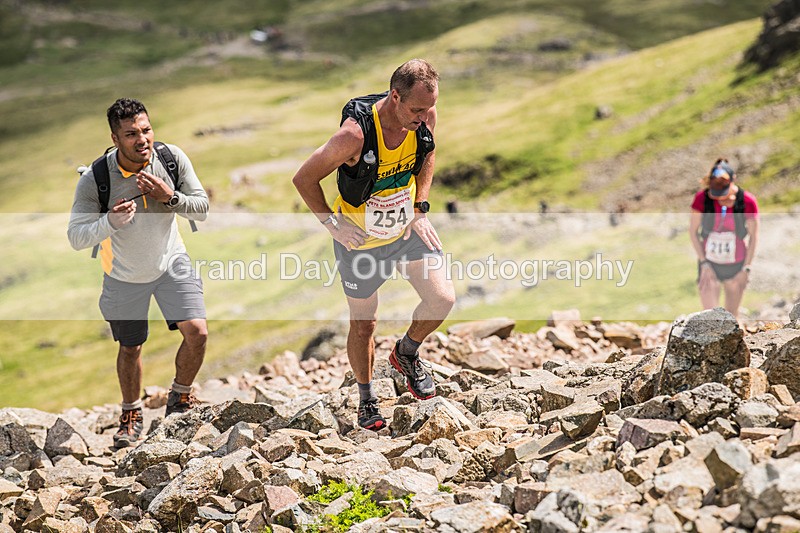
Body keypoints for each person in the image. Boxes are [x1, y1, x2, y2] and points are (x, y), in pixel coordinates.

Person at [292, 59, 456, 431]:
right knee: (364, 324)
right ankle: (367, 399)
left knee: (442, 299)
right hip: (362, 243)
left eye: (429, 109)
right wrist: (332, 225)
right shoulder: (354, 136)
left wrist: (420, 208)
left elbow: (428, 152)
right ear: (395, 96)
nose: (424, 117)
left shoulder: (424, 117)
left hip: (406, 232)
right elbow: (304, 178)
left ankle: (406, 352)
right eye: (416, 110)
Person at [68, 98, 209, 447]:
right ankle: (131, 414)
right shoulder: (96, 179)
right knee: (131, 347)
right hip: (123, 274)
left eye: (146, 130)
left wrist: (170, 197)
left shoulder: (171, 158)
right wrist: (110, 222)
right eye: (131, 134)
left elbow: (202, 208)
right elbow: (76, 236)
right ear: (115, 138)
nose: (142, 139)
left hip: (172, 262)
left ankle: (180, 398)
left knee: (198, 332)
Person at [689, 158, 759, 318]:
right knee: (710, 316)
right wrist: (704, 263)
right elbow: (693, 231)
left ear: (733, 180)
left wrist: (746, 268)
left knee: (731, 316)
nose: (719, 198)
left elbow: (754, 237)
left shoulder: (747, 201)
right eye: (715, 193)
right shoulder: (702, 199)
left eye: (723, 192)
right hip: (709, 262)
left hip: (736, 263)